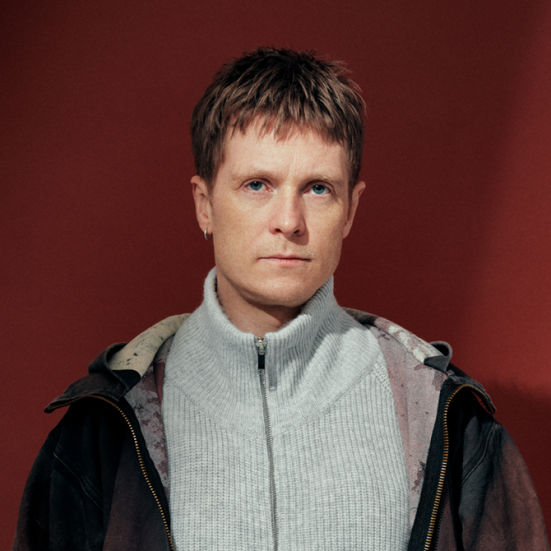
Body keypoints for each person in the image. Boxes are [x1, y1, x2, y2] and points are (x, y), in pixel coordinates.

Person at [13, 48, 549, 551]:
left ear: (350, 210)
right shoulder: (103, 427)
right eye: (257, 185)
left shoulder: (442, 415)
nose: (289, 222)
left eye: (318, 188)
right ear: (204, 204)